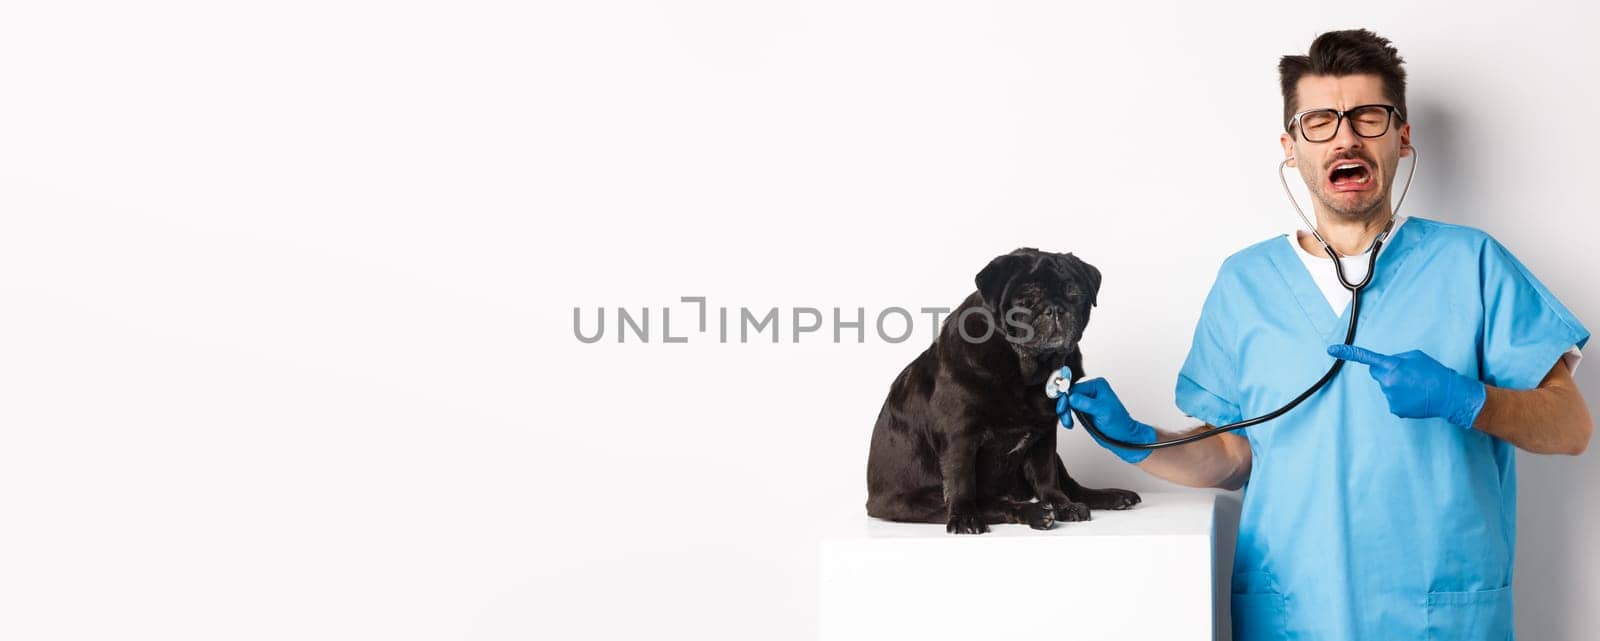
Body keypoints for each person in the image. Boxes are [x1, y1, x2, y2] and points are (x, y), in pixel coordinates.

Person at [1061, 29, 1591, 641]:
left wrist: (1466, 400)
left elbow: (1572, 428)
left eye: (1369, 117)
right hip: (1295, 616)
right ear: (1291, 147)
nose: (1346, 136)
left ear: (1403, 137)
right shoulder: (1246, 283)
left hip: (1440, 617)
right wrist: (1137, 441)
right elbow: (1235, 456)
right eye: (1320, 121)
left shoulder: (1472, 264)